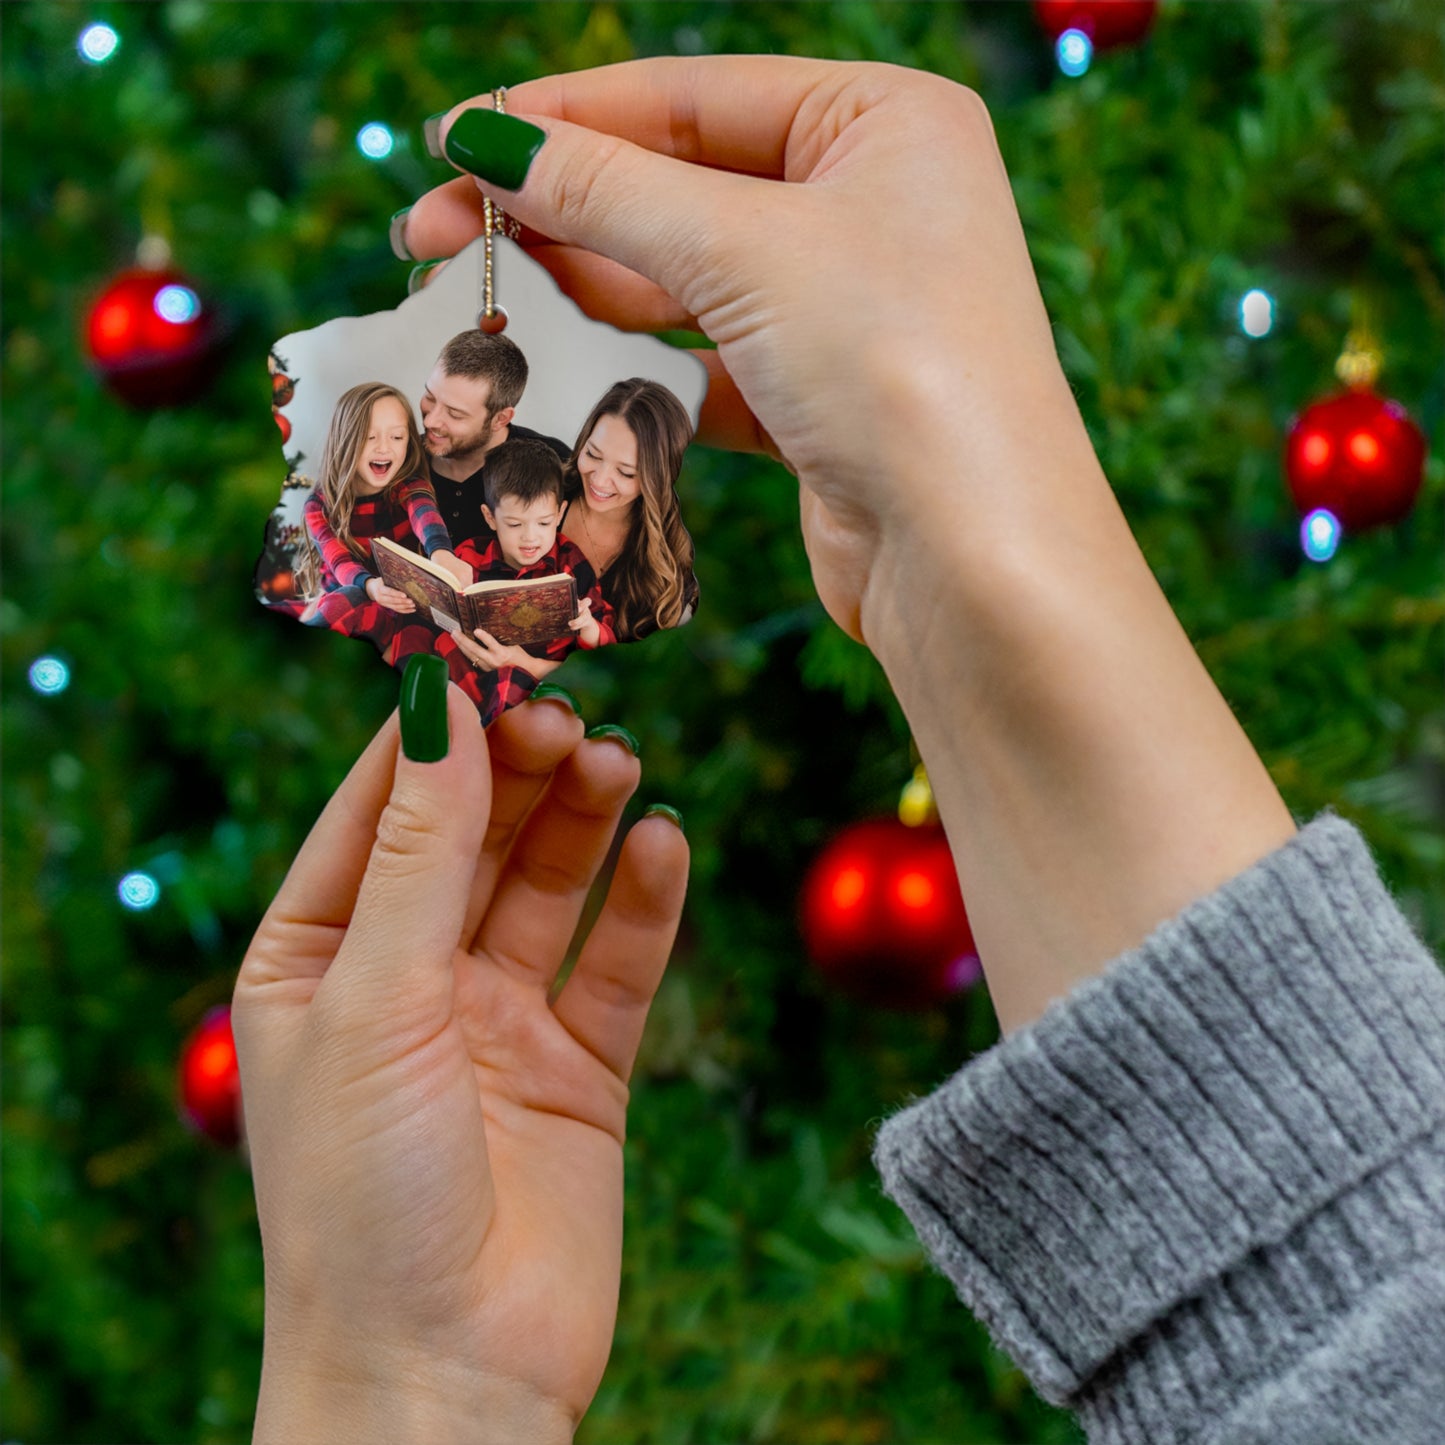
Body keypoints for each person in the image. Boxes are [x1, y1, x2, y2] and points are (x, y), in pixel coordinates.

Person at [233, 56, 1445, 1445]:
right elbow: (1363, 1332)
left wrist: (393, 1392)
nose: (436, 436)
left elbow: (1365, 1334)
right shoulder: (381, 498)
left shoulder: (558, 503)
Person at [449, 376, 699, 681]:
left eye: (625, 472)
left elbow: (630, 683)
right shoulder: (542, 487)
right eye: (593, 454)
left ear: (658, 480)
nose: (600, 480)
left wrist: (526, 666)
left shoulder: (664, 573)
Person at [435, 437, 616, 722]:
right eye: (515, 524)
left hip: (541, 685)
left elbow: (604, 642)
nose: (530, 537)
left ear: (559, 514)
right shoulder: (469, 556)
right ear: (490, 517)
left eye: (543, 523)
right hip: (471, 670)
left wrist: (588, 626)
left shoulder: (570, 563)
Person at [296, 381, 470, 657]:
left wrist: (441, 555)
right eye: (370, 437)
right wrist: (369, 585)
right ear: (347, 439)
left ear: (409, 442)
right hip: (350, 591)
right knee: (346, 602)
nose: (384, 448)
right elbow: (340, 562)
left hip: (399, 600)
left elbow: (426, 518)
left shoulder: (408, 487)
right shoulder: (319, 505)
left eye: (397, 437)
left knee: (421, 632)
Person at [419, 327, 570, 540]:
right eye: (430, 397)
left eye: (454, 414)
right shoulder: (395, 456)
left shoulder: (555, 463)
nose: (429, 421)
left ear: (500, 419)